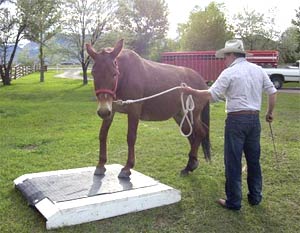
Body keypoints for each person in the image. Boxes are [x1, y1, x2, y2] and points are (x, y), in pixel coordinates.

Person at [181, 39, 277, 210]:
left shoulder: (229, 72)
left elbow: (211, 95)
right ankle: (255, 197)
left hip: (236, 120)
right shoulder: (258, 70)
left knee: (233, 161)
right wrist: (270, 113)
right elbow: (272, 91)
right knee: (253, 160)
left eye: (225, 56)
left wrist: (191, 91)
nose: (224, 59)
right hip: (254, 120)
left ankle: (234, 201)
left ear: (232, 55)